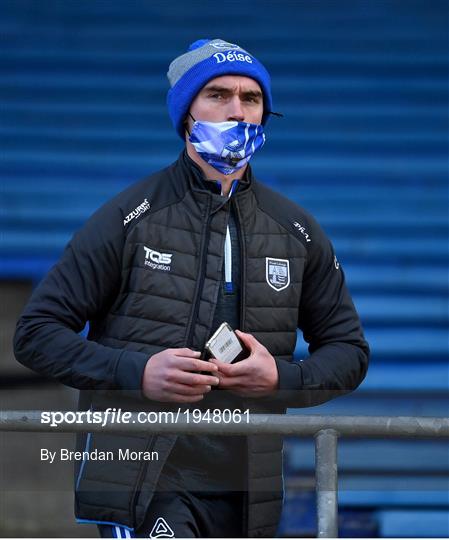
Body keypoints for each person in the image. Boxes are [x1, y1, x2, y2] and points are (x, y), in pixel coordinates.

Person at [14, 38, 369, 538]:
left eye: (251, 99)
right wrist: (137, 373)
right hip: (141, 476)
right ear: (186, 115)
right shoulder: (128, 217)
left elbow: (349, 352)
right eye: (218, 95)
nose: (236, 111)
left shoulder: (296, 229)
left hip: (247, 490)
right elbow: (35, 334)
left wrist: (280, 380)